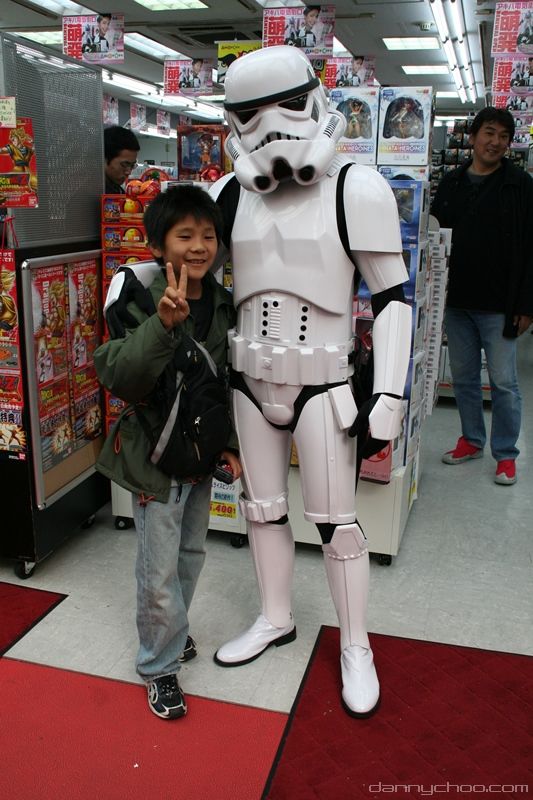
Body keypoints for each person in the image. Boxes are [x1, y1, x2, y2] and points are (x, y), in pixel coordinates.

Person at [209, 46, 411, 718]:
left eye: (288, 105)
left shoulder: (357, 188)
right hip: (248, 378)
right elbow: (198, 276)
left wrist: (389, 395)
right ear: (232, 121)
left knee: (337, 525)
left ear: (317, 101)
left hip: (324, 383)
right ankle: (275, 616)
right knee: (261, 509)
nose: (271, 126)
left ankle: (356, 644)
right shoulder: (227, 194)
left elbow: (392, 298)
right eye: (250, 114)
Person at [94, 186, 242, 719]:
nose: (199, 246)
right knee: (157, 569)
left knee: (191, 555)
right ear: (158, 245)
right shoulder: (137, 296)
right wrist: (162, 325)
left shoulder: (222, 302)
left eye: (209, 235)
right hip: (156, 459)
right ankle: (158, 666)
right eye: (185, 236)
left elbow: (224, 383)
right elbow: (120, 374)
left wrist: (229, 445)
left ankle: (172, 632)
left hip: (200, 456)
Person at [431, 107, 533, 486]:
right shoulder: (452, 183)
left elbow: (531, 248)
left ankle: (505, 454)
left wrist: (526, 305)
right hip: (456, 300)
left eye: (504, 136)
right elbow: (435, 237)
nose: (496, 142)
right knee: (463, 378)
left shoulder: (520, 185)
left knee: (504, 383)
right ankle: (472, 440)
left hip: (500, 305)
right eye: (489, 133)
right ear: (472, 137)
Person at [103, 125, 140, 194]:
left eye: (132, 165)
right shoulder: (90, 193)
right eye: (124, 164)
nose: (128, 172)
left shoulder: (118, 191)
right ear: (105, 159)